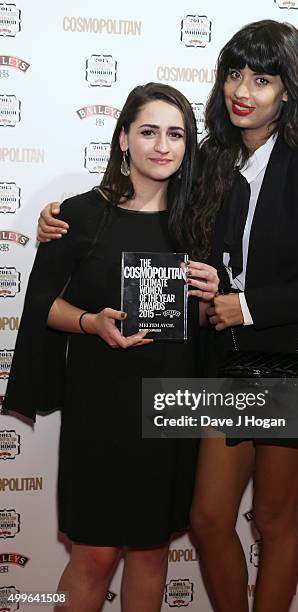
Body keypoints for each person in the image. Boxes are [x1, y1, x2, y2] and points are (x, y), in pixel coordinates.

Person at [36, 20, 298, 612]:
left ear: (288, 90)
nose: (243, 89)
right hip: (233, 361)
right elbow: (150, 214)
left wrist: (245, 302)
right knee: (207, 517)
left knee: (271, 518)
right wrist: (60, 218)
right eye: (234, 74)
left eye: (263, 79)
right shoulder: (213, 160)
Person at [4, 82, 218, 612]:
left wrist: (215, 296)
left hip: (172, 407)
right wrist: (91, 322)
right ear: (123, 139)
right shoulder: (78, 215)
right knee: (94, 556)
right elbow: (43, 307)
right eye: (148, 132)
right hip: (100, 408)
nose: (162, 146)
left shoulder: (201, 221)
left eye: (176, 134)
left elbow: (217, 314)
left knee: (150, 555)